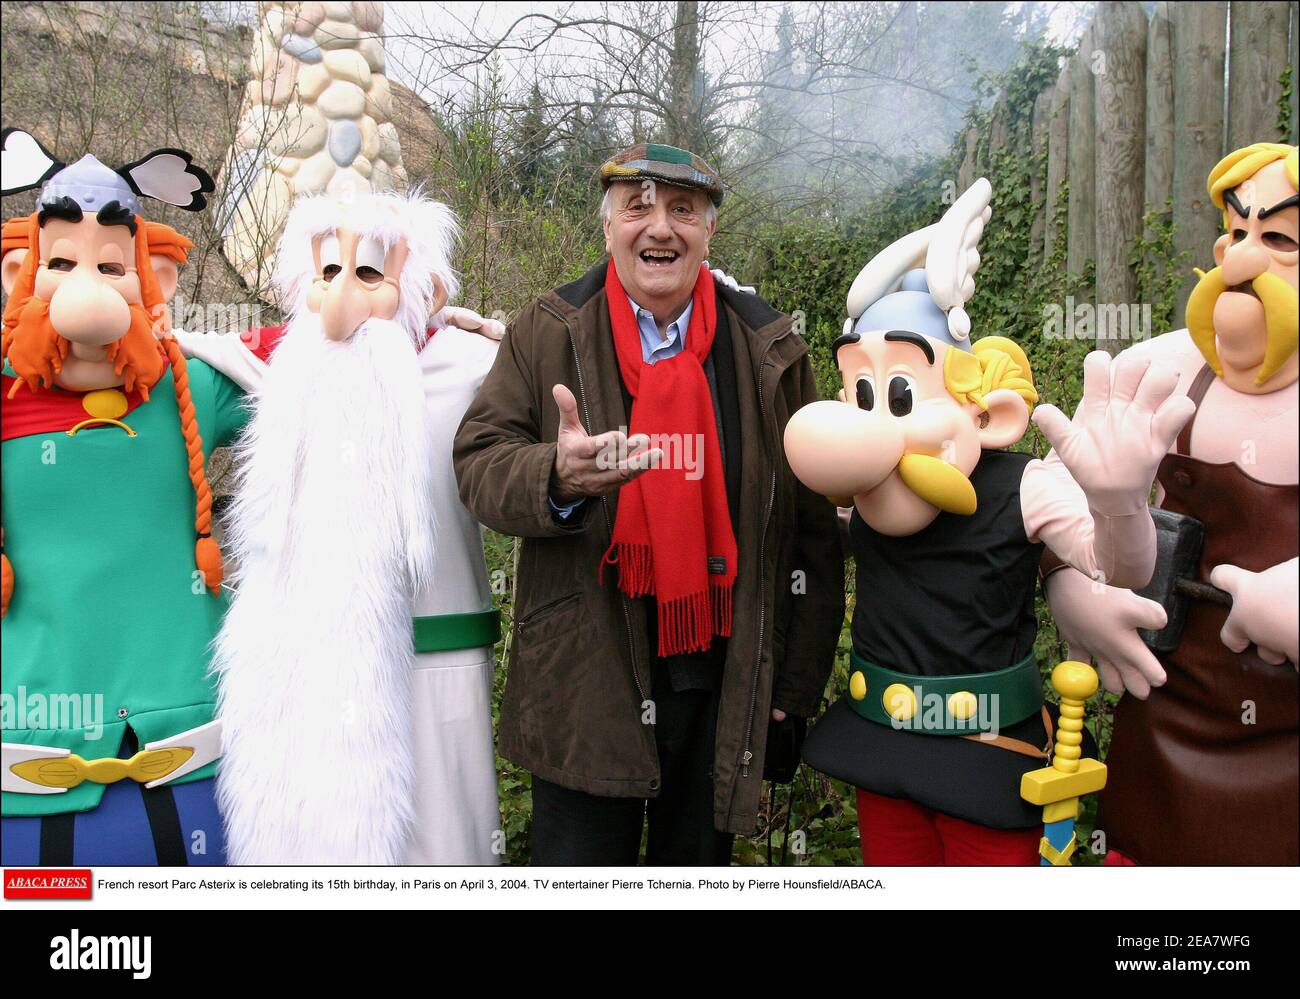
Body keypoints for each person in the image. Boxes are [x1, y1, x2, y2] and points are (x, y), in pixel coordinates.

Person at [454, 142, 843, 865]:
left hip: (723, 688)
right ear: (607, 228)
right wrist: (555, 475)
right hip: (587, 687)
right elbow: (477, 463)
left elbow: (809, 530)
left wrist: (789, 686)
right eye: (637, 207)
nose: (659, 227)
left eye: (682, 210)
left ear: (708, 232)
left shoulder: (767, 345)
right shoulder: (548, 330)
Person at [784, 179, 1191, 865]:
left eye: (901, 391)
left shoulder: (1026, 485)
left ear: (985, 414)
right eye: (861, 390)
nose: (873, 418)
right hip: (879, 742)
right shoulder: (862, 483)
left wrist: (1120, 501)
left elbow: (1121, 567)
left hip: (987, 756)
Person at [181, 189, 507, 865]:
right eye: (328, 272)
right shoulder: (283, 365)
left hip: (437, 666)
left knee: (443, 852)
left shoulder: (476, 367)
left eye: (367, 273)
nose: (343, 295)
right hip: (315, 674)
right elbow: (169, 351)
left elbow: (548, 404)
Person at [1044, 142, 1298, 865]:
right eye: (1238, 232)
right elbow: (1049, 488)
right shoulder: (1164, 371)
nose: (1243, 262)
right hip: (1164, 738)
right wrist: (1071, 579)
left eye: (1279, 239)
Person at [0, 129, 237, 864]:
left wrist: (441, 333)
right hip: (25, 769)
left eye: (110, 266)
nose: (85, 292)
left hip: (189, 763)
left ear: (152, 281)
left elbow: (317, 362)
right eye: (62, 263)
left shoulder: (192, 384)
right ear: (21, 273)